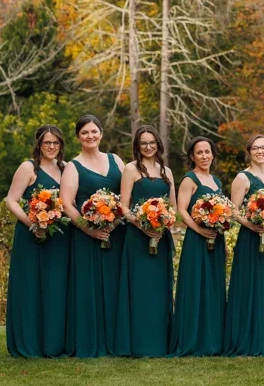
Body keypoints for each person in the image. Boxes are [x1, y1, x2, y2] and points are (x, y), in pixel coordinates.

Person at [61, 114, 126, 357]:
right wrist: (89, 229)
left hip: (117, 234)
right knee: (89, 288)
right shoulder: (72, 166)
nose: (90, 136)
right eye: (85, 132)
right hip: (86, 238)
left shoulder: (116, 160)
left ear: (101, 133)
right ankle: (90, 342)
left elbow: (126, 196)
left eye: (94, 131)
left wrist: (117, 219)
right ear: (78, 137)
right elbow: (67, 204)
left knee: (115, 286)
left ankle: (117, 341)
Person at [4, 124, 70, 358]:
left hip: (60, 238)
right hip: (31, 235)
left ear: (61, 145)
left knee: (56, 288)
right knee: (31, 286)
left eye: (55, 143)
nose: (51, 147)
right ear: (39, 145)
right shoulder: (28, 167)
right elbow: (11, 201)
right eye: (46, 143)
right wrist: (33, 224)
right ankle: (29, 343)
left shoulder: (65, 169)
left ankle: (53, 343)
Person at [115, 126, 176, 357]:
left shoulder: (167, 171)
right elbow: (123, 205)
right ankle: (139, 344)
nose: (148, 147)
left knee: (160, 290)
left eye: (152, 142)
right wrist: (143, 225)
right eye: (144, 143)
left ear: (158, 144)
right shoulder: (130, 169)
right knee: (140, 289)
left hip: (160, 237)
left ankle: (160, 343)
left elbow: (174, 207)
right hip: (137, 238)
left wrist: (163, 224)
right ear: (137, 146)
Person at [223, 134, 264, 356]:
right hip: (251, 238)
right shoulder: (242, 178)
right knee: (250, 285)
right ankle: (247, 339)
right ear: (249, 151)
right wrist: (251, 225)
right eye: (255, 148)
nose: (260, 151)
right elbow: (233, 210)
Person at [172, 136, 228, 356]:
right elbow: (182, 211)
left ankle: (213, 339)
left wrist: (221, 236)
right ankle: (193, 340)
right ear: (192, 156)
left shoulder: (216, 181)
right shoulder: (189, 179)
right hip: (197, 240)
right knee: (196, 287)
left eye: (207, 151)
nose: (204, 156)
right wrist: (200, 229)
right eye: (199, 153)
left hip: (217, 238)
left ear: (212, 154)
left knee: (213, 287)